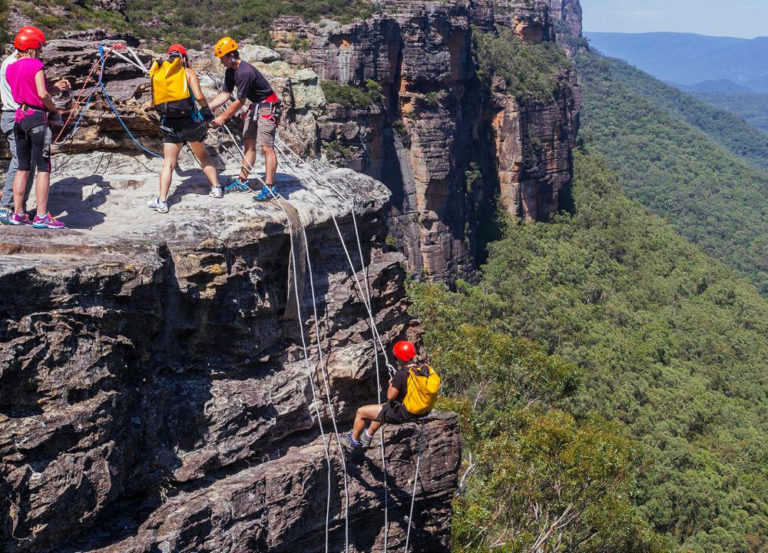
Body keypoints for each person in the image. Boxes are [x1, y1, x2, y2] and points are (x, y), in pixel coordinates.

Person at [5, 26, 70, 228]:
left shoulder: (10, 67)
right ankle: (41, 216)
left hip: (19, 117)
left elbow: (23, 90)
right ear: (33, 47)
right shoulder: (36, 65)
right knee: (43, 168)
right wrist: (53, 109)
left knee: (22, 167)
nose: (41, 51)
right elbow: (42, 94)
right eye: (39, 47)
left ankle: (18, 213)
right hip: (37, 117)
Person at [147, 44, 221, 213]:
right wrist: (206, 112)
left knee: (168, 163)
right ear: (184, 58)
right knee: (202, 155)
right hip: (191, 123)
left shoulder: (159, 74)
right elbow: (199, 96)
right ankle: (216, 188)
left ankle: (163, 201)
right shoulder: (188, 73)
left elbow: (153, 102)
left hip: (170, 123)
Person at [208, 36, 281, 202]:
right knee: (248, 143)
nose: (221, 62)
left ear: (231, 56)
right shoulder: (231, 72)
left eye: (223, 58)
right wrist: (209, 107)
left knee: (266, 147)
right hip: (256, 105)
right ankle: (242, 181)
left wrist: (223, 117)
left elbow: (240, 101)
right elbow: (226, 94)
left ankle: (270, 187)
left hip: (268, 106)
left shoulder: (245, 71)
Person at [340, 341, 441, 452]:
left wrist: (390, 385)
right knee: (383, 408)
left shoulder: (401, 374)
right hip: (421, 411)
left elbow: (390, 396)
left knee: (361, 412)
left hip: (403, 414)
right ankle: (367, 436)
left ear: (400, 358)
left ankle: (352, 441)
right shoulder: (423, 369)